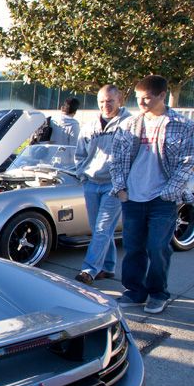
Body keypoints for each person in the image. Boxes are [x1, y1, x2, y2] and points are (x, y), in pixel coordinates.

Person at [110, 75, 194, 315]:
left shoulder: (183, 125)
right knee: (133, 248)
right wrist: (121, 188)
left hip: (163, 199)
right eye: (138, 98)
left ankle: (158, 294)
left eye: (147, 98)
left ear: (162, 95)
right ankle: (134, 291)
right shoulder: (129, 124)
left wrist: (169, 191)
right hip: (132, 197)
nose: (141, 103)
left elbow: (188, 161)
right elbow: (116, 159)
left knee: (158, 247)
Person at [73, 85, 131, 285]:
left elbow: (135, 154)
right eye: (102, 101)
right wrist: (82, 174)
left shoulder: (130, 124)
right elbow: (80, 153)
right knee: (99, 229)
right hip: (91, 183)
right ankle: (108, 266)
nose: (106, 105)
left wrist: (123, 183)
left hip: (114, 185)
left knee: (102, 228)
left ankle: (88, 270)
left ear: (119, 100)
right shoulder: (89, 125)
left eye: (110, 101)